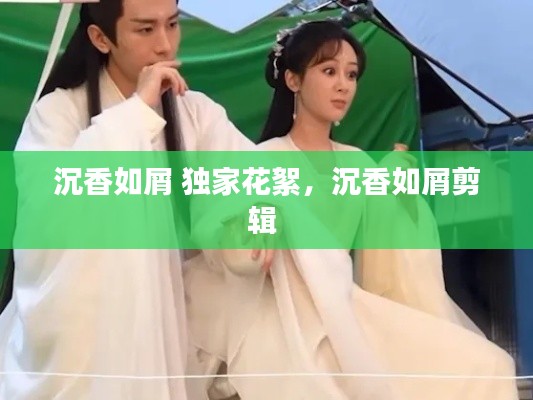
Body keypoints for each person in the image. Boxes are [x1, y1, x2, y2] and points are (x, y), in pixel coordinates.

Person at [184, 20, 519, 400]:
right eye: (329, 71)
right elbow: (236, 240)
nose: (343, 85)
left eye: (352, 74)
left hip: (345, 307)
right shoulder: (262, 160)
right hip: (281, 314)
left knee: (487, 364)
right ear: (293, 80)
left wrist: (398, 189)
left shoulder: (357, 163)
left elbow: (390, 240)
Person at [0, 0, 272, 399]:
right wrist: (135, 114)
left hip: (167, 318)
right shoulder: (57, 114)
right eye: (145, 29)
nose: (165, 44)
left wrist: (252, 223)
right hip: (87, 330)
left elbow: (252, 184)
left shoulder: (197, 113)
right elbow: (50, 218)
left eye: (173, 24)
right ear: (100, 37)